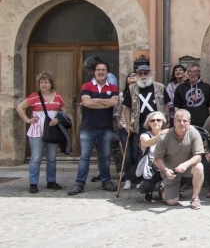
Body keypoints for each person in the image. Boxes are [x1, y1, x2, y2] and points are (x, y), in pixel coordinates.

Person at [68, 60, 119, 196]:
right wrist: (104, 103)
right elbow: (86, 102)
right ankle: (79, 183)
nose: (101, 72)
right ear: (94, 72)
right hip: (88, 126)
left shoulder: (112, 88)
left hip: (106, 126)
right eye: (98, 70)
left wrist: (95, 100)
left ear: (107, 72)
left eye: (103, 70)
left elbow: (114, 102)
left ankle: (106, 181)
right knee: (85, 156)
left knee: (105, 156)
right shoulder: (87, 85)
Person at [16, 71, 66, 193]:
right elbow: (20, 107)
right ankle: (33, 183)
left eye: (46, 82)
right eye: (41, 82)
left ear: (51, 83)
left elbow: (63, 111)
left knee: (51, 157)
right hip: (37, 131)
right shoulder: (34, 96)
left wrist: (58, 118)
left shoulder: (58, 96)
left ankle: (51, 181)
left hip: (53, 130)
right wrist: (27, 120)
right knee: (36, 157)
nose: (44, 84)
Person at [123, 65, 169, 190]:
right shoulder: (132, 89)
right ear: (137, 75)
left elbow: (165, 106)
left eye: (146, 73)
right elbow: (126, 108)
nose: (143, 75)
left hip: (158, 124)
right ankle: (141, 177)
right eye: (141, 73)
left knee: (161, 150)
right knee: (141, 152)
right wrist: (128, 124)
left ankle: (160, 177)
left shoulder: (159, 87)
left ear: (150, 73)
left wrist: (168, 122)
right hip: (140, 126)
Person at [153, 109, 205, 209]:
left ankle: (195, 198)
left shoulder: (194, 133)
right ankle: (163, 188)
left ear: (189, 122)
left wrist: (185, 165)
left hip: (187, 169)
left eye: (185, 121)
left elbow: (198, 156)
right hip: (170, 172)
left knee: (199, 166)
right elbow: (157, 158)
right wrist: (165, 170)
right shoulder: (165, 137)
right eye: (179, 120)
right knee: (172, 202)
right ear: (174, 122)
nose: (182, 123)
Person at [173, 63, 210, 130]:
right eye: (190, 72)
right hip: (186, 124)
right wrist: (178, 122)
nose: (193, 74)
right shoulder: (180, 88)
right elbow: (177, 107)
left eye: (195, 71)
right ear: (187, 73)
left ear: (199, 72)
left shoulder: (206, 87)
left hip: (203, 123)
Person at [138, 111, 167, 202]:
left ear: (163, 122)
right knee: (146, 186)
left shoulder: (169, 134)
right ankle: (149, 191)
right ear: (148, 123)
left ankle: (167, 188)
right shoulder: (145, 135)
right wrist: (160, 135)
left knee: (166, 197)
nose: (156, 122)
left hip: (167, 166)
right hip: (151, 168)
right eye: (153, 120)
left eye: (158, 120)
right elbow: (145, 142)